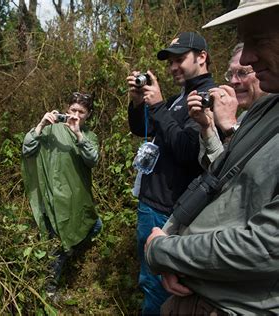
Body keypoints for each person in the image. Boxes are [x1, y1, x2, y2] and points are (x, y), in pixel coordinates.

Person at [144, 1, 279, 314]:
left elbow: (264, 246)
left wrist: (166, 251)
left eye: (258, 40)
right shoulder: (267, 107)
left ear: (201, 58)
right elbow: (219, 178)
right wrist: (170, 239)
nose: (243, 63)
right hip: (191, 281)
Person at [126, 31, 216, 315]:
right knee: (151, 282)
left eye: (180, 60)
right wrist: (139, 102)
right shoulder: (182, 97)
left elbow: (189, 153)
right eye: (169, 62)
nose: (173, 67)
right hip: (154, 203)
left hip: (168, 210)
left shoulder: (205, 98)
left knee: (158, 289)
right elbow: (143, 129)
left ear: (202, 57)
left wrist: (159, 106)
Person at [21, 92, 102, 297]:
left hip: (76, 200)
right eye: (72, 110)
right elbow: (27, 148)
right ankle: (49, 290)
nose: (75, 115)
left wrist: (78, 135)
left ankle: (69, 252)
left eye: (81, 112)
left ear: (88, 114)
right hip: (53, 199)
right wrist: (40, 126)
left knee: (95, 225)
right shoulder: (52, 129)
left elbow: (93, 159)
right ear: (66, 109)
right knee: (58, 246)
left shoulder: (89, 136)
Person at [187, 42, 268, 168]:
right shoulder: (245, 117)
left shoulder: (273, 119)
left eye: (242, 72)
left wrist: (231, 128)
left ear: (263, 71)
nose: (234, 81)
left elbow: (260, 175)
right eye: (231, 74)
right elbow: (220, 170)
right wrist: (208, 127)